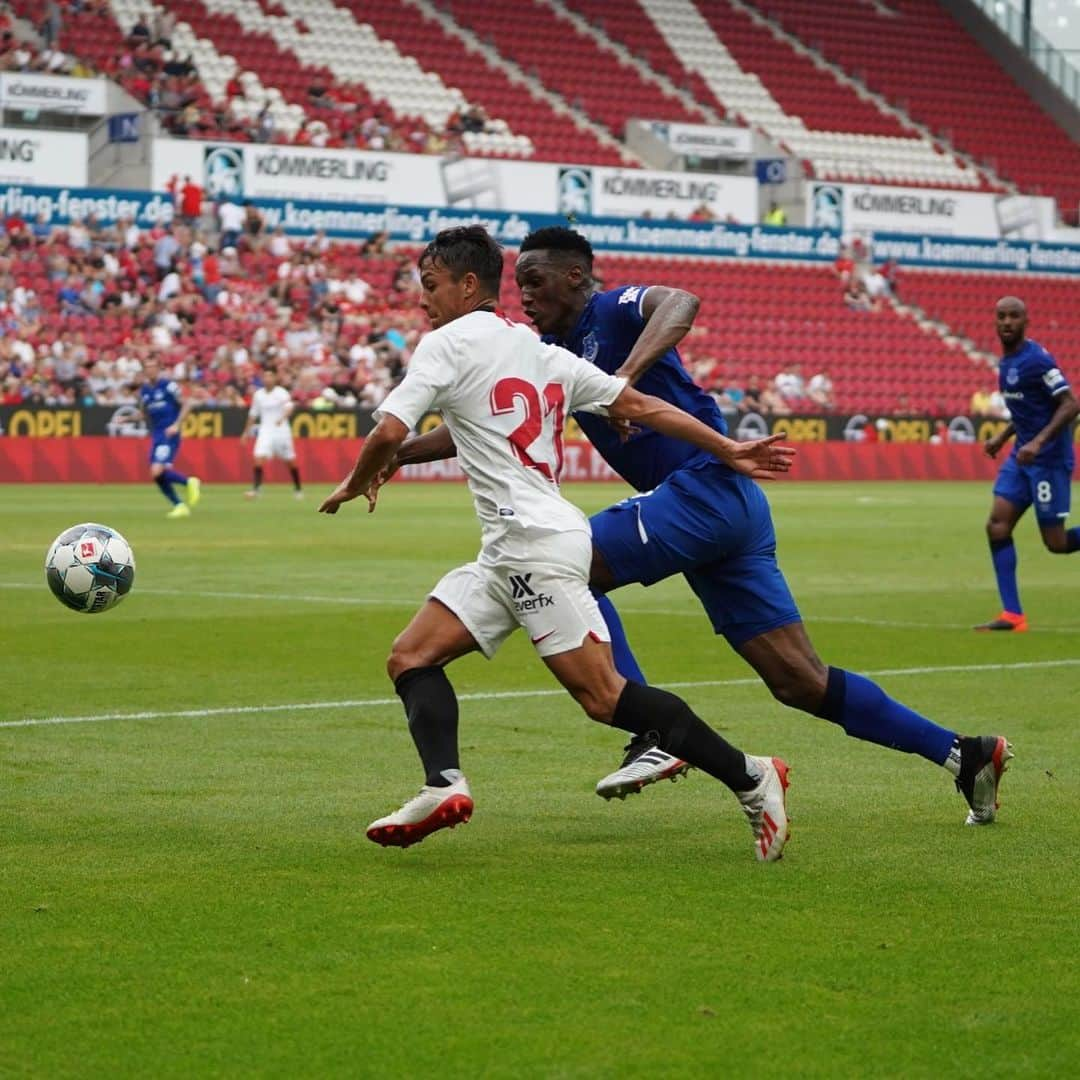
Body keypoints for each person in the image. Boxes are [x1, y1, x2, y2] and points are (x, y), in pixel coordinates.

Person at [384, 227, 1012, 828]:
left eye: (535, 280)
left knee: (563, 559)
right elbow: (481, 422)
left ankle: (651, 733)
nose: (525, 295)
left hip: (702, 491)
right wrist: (400, 454)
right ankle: (964, 754)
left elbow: (681, 301)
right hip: (721, 509)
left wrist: (625, 373)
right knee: (799, 681)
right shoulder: (547, 355)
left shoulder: (611, 310)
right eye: (518, 283)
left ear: (575, 278)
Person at [319, 226, 796, 861]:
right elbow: (641, 405)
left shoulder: (447, 344)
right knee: (411, 657)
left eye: (430, 286)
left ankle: (751, 773)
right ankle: (443, 786)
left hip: (535, 546)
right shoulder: (535, 349)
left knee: (605, 699)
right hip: (513, 545)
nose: (423, 300)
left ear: (468, 285)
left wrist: (359, 479)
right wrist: (727, 446)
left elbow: (387, 427)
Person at [976, 296, 1079, 632]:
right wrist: (1003, 438)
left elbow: (1069, 405)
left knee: (1056, 543)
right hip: (1021, 457)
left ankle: (1013, 614)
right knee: (997, 526)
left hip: (1047, 460)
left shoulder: (1037, 361)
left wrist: (1037, 442)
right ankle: (1013, 615)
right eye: (1001, 316)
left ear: (1026, 321)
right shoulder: (1006, 363)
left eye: (1014, 316)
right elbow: (1027, 410)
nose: (1006, 322)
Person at [137, 356, 201, 518]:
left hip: (169, 433)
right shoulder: (144, 391)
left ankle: (189, 482)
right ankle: (179, 505)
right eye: (147, 367)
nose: (150, 370)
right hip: (157, 435)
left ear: (159, 369)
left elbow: (187, 403)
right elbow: (143, 414)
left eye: (153, 366)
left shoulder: (168, 386)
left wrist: (176, 425)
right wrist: (126, 419)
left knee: (157, 470)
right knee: (156, 474)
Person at [242, 366, 302, 499]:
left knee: (290, 461)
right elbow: (253, 414)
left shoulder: (281, 393)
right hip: (265, 431)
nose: (267, 379)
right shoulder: (259, 395)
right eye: (265, 376)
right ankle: (256, 489)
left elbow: (289, 407)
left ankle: (298, 489)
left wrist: (282, 418)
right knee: (258, 459)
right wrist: (245, 433)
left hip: (282, 431)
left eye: (270, 376)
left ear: (275, 378)